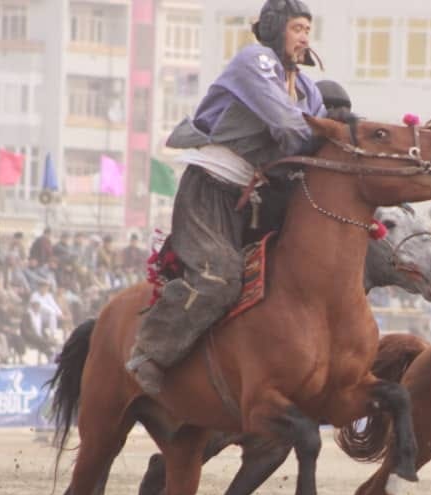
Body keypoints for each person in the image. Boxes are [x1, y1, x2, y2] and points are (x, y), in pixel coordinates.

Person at [126, 0, 325, 394]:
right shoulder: (256, 60)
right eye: (297, 28)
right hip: (208, 189)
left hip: (253, 201)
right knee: (219, 278)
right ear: (275, 28)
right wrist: (326, 136)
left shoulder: (308, 89)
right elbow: (290, 128)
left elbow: (318, 136)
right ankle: (149, 353)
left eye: (307, 30)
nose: (305, 38)